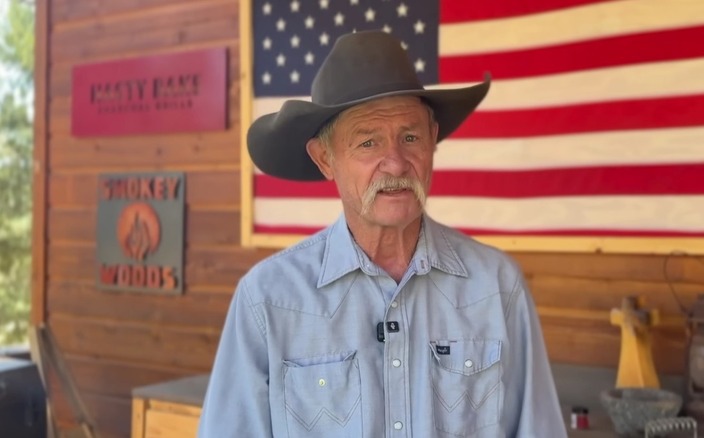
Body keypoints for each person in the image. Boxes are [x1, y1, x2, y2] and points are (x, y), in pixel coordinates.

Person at [198, 31, 567, 438]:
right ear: (326, 159)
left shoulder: (496, 287)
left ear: (432, 141)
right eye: (368, 142)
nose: (395, 163)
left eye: (410, 137)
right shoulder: (268, 301)